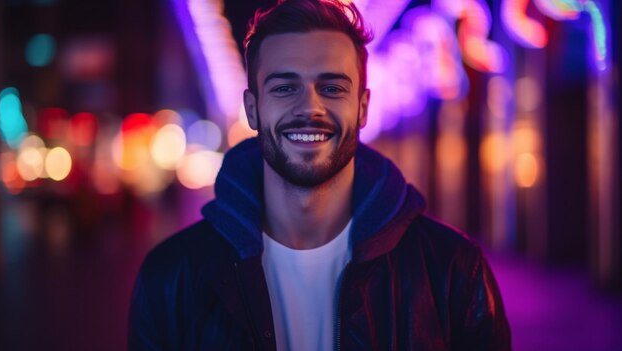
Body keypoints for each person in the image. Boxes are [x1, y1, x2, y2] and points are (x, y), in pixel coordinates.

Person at [128, 0, 512, 350]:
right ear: (252, 108)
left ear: (362, 107)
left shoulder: (453, 272)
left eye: (331, 87)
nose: (309, 107)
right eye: (284, 87)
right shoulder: (171, 279)